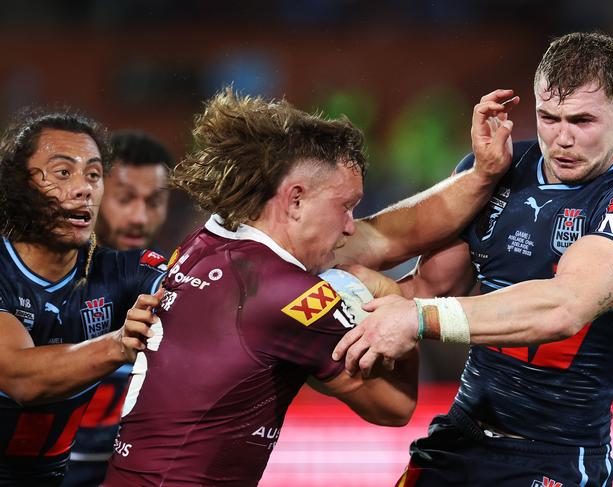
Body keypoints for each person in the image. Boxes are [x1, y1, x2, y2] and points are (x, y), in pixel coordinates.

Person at [101, 86, 512, 486]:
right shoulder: (292, 297)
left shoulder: (212, 237)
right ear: (295, 199)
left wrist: (482, 175)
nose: (352, 224)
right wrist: (392, 302)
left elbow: (391, 236)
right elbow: (396, 407)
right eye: (346, 207)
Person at [333, 32, 613, 486]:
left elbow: (565, 306)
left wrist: (416, 317)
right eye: (548, 117)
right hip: (459, 435)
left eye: (582, 120)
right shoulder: (496, 170)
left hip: (554, 458)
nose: (562, 138)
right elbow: (426, 290)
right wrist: (317, 307)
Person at [0, 108, 167, 486]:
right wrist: (118, 345)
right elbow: (20, 378)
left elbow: (200, 289)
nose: (84, 188)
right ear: (18, 184)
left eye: (93, 174)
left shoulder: (120, 271)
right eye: (63, 173)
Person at [64, 131, 173, 487]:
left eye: (153, 202)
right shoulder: (42, 278)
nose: (139, 217)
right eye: (124, 199)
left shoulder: (171, 282)